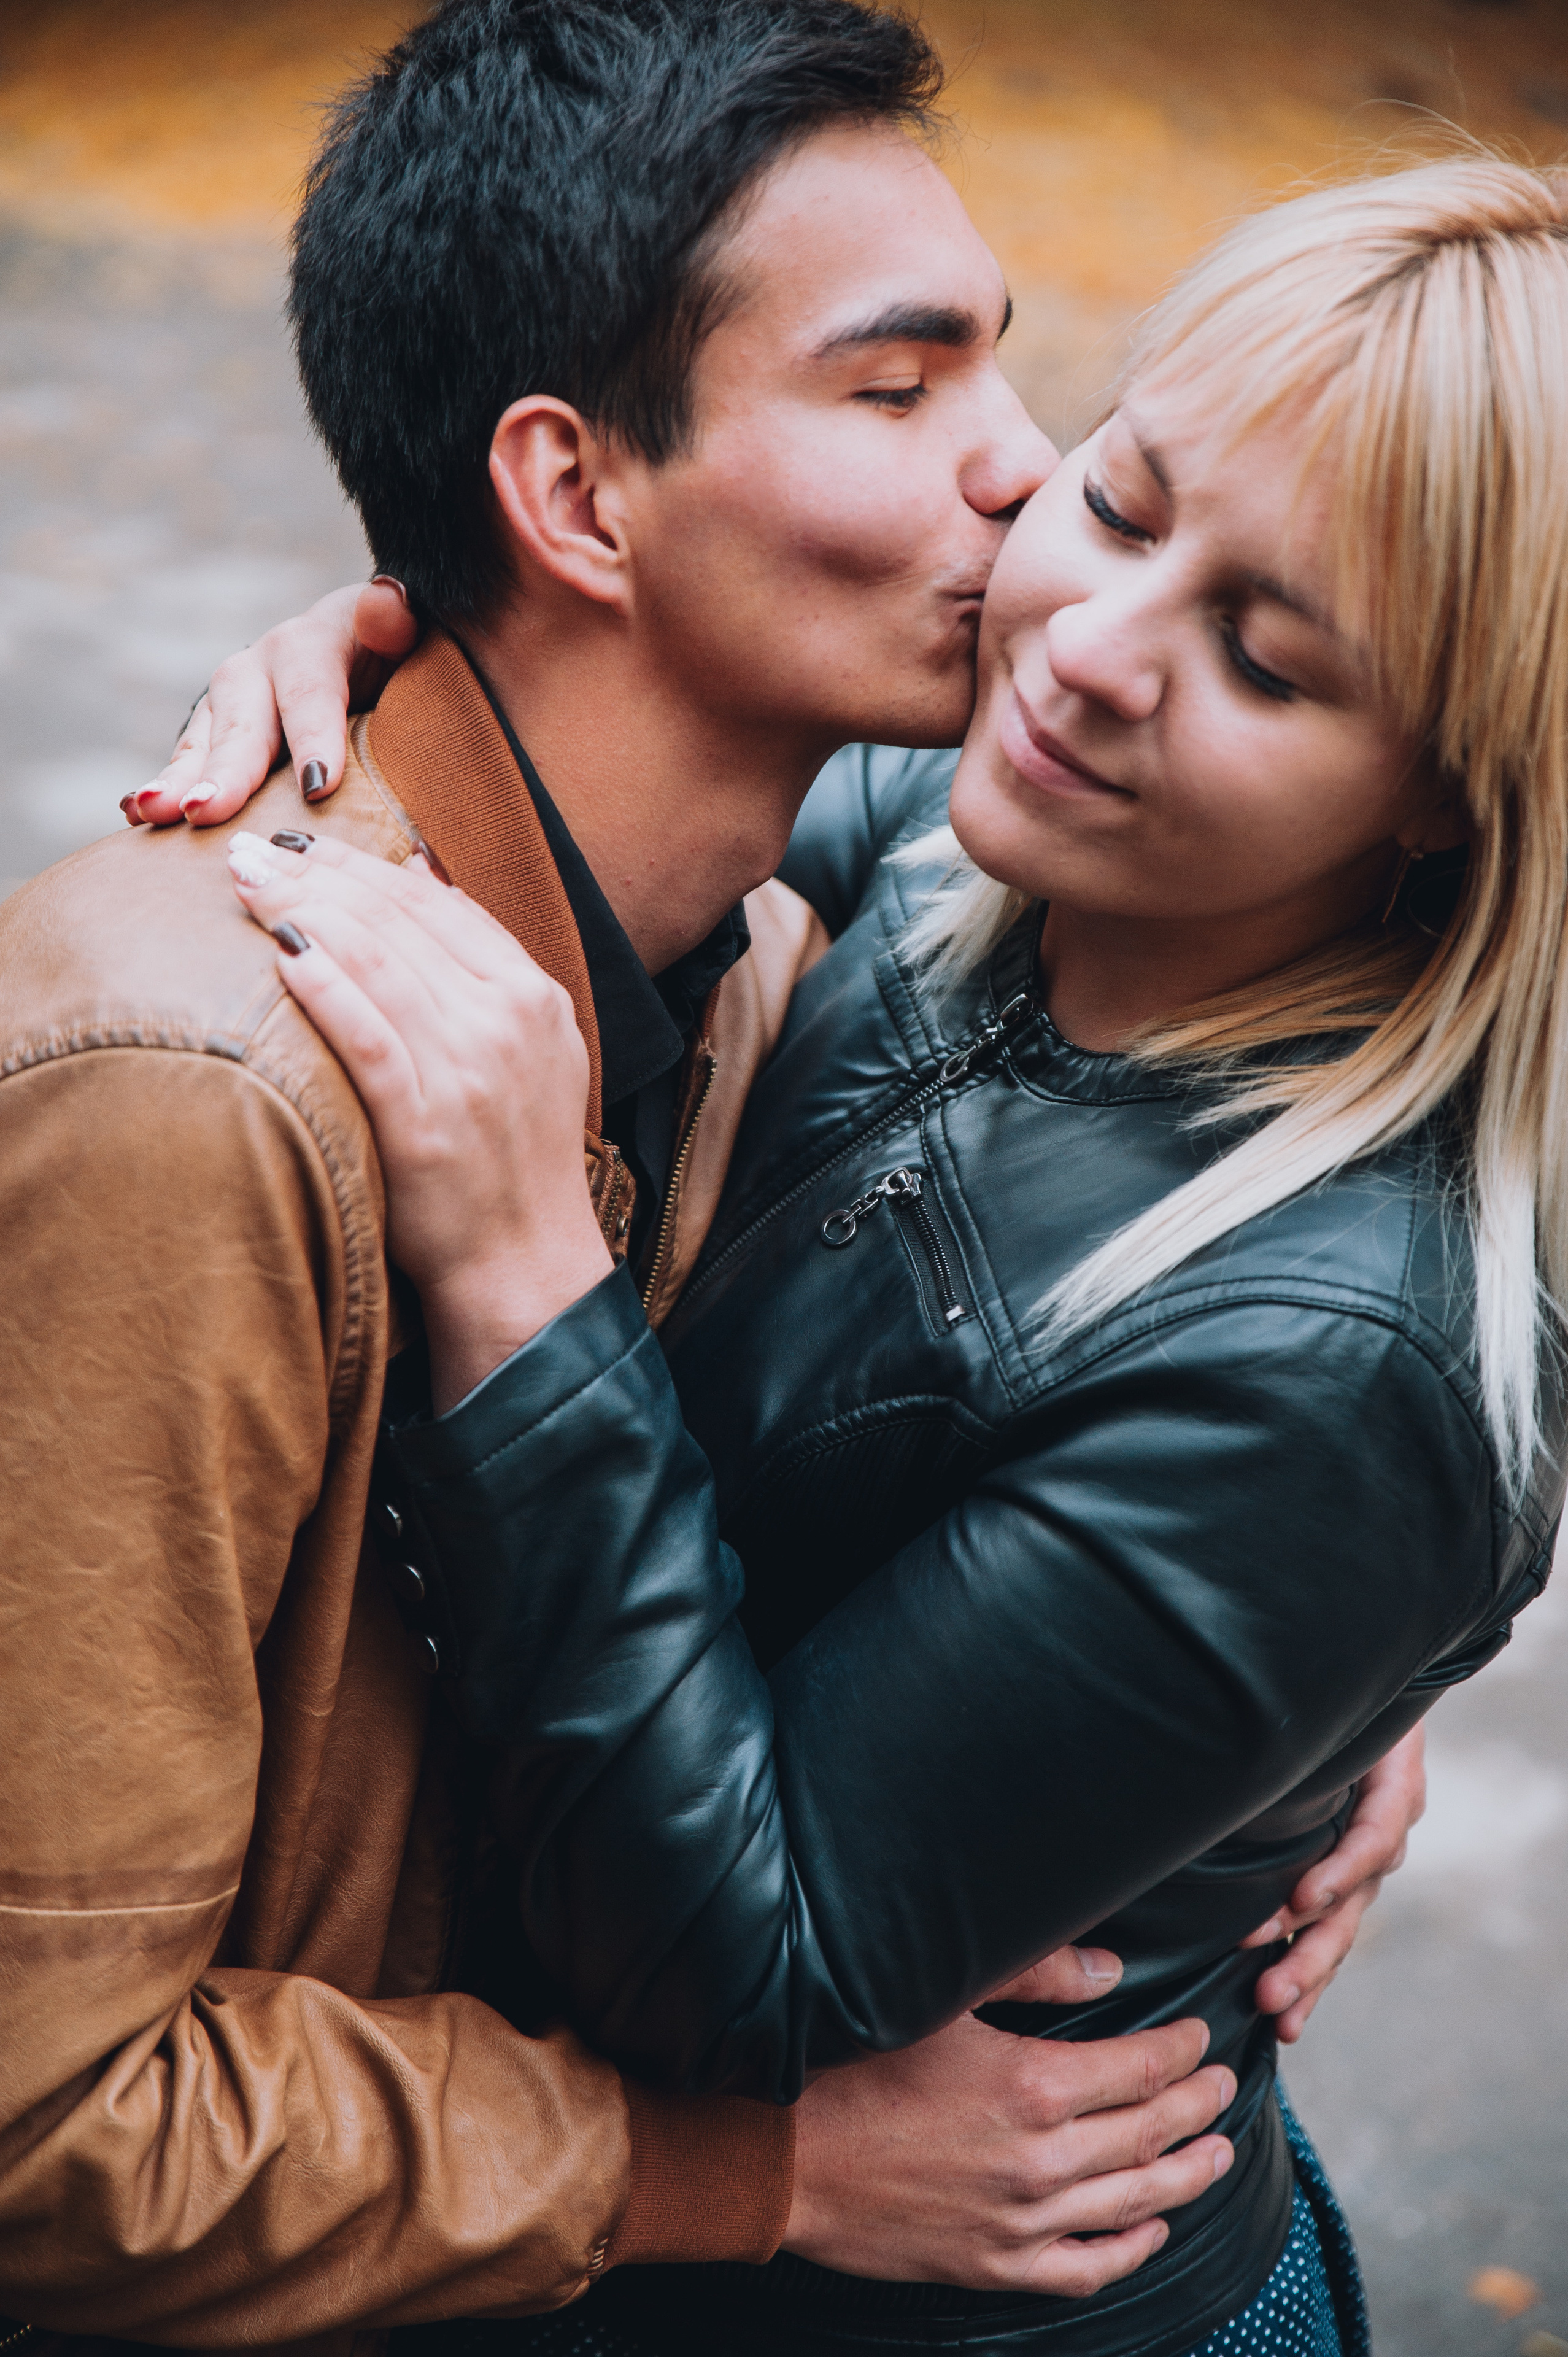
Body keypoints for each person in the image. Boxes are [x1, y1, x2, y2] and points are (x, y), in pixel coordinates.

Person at [0, 4, 1419, 2351]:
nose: (1026, 485)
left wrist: (1300, 1669)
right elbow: (40, 2120)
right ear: (571, 499)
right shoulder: (195, 1101)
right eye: (899, 392)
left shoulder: (753, 925)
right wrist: (728, 2171)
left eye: (1007, 372)